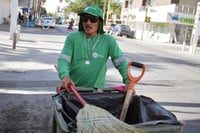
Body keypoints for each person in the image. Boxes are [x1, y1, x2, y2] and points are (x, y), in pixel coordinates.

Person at [57, 5, 129, 91]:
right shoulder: (73, 38)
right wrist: (65, 76)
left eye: (93, 19)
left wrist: (128, 81)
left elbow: (120, 62)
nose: (88, 23)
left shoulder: (108, 40)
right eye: (85, 19)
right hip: (73, 89)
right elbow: (63, 59)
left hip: (96, 92)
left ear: (100, 22)